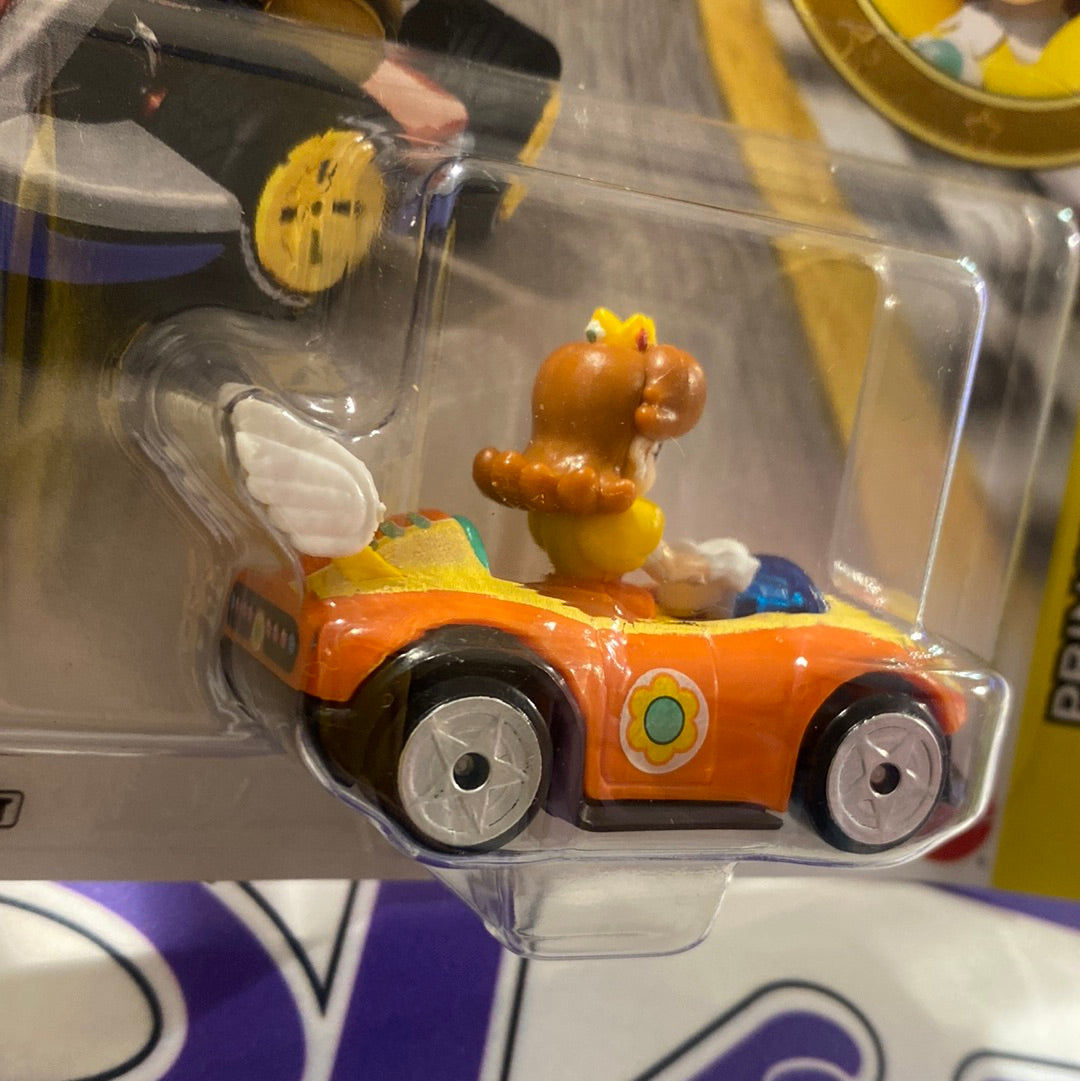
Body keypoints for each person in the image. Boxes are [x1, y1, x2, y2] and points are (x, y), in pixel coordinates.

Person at [473, 309, 759, 618]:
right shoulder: (630, 518)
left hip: (557, 593)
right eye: (653, 451)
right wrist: (719, 565)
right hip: (604, 612)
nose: (653, 463)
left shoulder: (545, 510)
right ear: (629, 449)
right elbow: (671, 570)